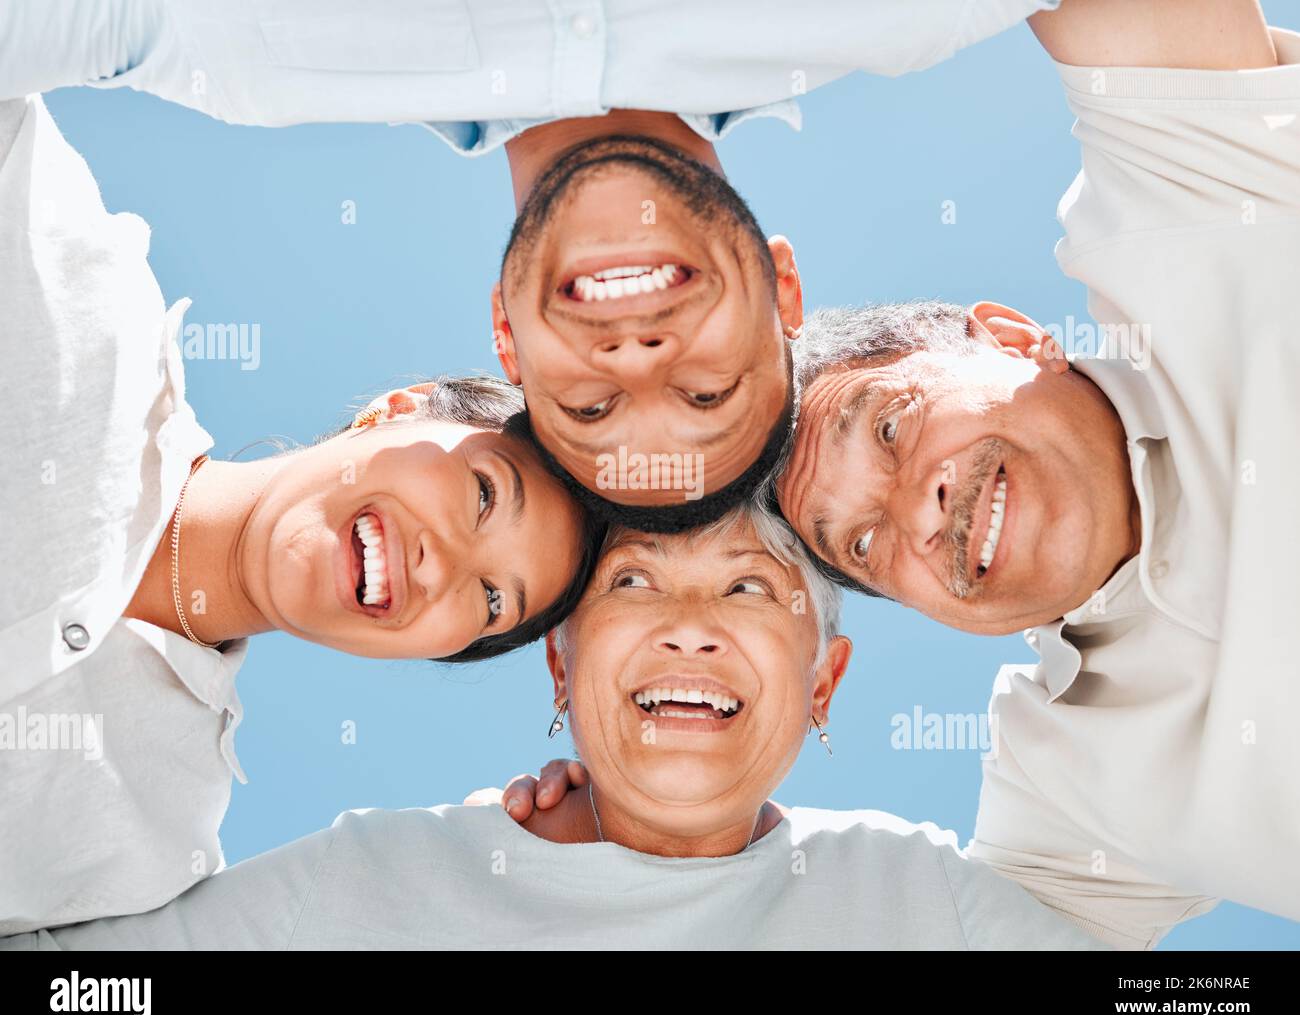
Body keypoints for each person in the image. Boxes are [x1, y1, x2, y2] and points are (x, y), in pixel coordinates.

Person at [0, 0, 1059, 526]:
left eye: (590, 407)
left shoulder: (238, 54)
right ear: (785, 289)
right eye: (705, 388)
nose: (636, 356)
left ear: (508, 334)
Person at [0, 91, 604, 936]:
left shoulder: (154, 855)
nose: (444, 565)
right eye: (483, 494)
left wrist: (470, 889)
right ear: (398, 410)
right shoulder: (59, 265)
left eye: (491, 602)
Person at [772, 1, 1300, 946]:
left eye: (891, 426)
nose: (918, 516)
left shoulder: (1193, 214)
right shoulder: (1066, 797)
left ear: (1015, 339)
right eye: (863, 544)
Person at [0, 502, 1105, 950]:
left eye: (750, 592)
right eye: (630, 584)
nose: (687, 630)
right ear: (561, 664)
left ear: (825, 683)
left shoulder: (916, 898)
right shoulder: (380, 876)